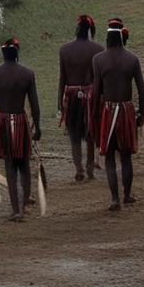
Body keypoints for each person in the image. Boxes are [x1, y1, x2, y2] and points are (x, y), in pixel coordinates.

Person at [0, 38, 42, 220]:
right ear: (17, 54)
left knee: (9, 165)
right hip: (21, 121)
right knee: (23, 163)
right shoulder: (27, 74)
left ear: (3, 54)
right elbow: (34, 104)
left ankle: (16, 210)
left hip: (3, 122)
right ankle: (22, 206)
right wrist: (36, 126)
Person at [92, 19, 144, 211]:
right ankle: (127, 195)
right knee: (125, 156)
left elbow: (96, 91)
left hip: (108, 112)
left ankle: (115, 199)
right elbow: (143, 92)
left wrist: (94, 116)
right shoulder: (132, 59)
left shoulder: (98, 60)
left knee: (109, 157)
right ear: (122, 39)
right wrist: (140, 114)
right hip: (126, 111)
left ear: (108, 39)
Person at [56, 15, 104, 181]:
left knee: (74, 136)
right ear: (90, 30)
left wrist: (59, 103)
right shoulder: (97, 49)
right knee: (91, 134)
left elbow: (62, 78)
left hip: (71, 96)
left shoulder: (64, 49)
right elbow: (99, 79)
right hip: (91, 97)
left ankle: (79, 169)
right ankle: (90, 168)